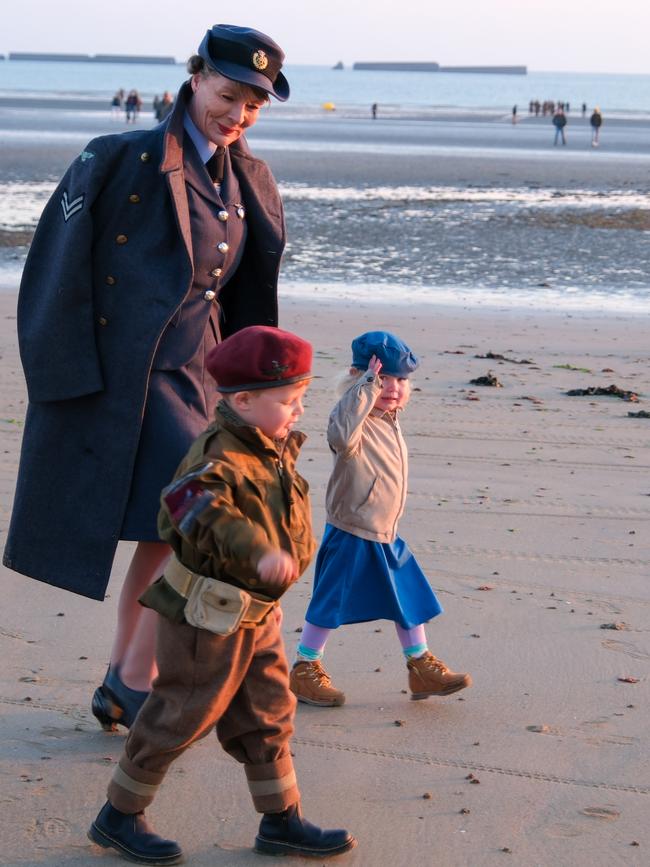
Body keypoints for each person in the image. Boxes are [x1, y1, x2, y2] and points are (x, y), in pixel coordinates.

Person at [3, 24, 293, 733]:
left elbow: (242, 289)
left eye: (253, 105)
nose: (238, 115)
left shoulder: (248, 176)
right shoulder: (119, 160)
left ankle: (121, 680)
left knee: (167, 531)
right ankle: (138, 678)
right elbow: (53, 268)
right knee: (190, 516)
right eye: (229, 96)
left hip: (204, 374)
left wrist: (256, 387)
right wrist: (64, 382)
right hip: (131, 375)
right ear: (195, 78)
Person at [87, 325, 357, 863]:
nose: (298, 412)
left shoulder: (271, 446)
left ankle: (281, 819)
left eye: (301, 399)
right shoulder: (218, 456)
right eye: (289, 401)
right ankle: (119, 815)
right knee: (181, 712)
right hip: (205, 618)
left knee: (268, 712)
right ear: (244, 400)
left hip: (258, 616)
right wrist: (256, 552)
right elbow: (185, 507)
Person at [289, 331, 472, 707]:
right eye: (381, 378)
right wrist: (366, 387)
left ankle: (420, 665)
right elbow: (341, 435)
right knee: (329, 602)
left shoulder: (390, 419)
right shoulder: (350, 417)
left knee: (409, 598)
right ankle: (305, 668)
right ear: (358, 379)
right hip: (352, 530)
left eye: (400, 380)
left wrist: (377, 391)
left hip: (386, 531)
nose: (391, 388)